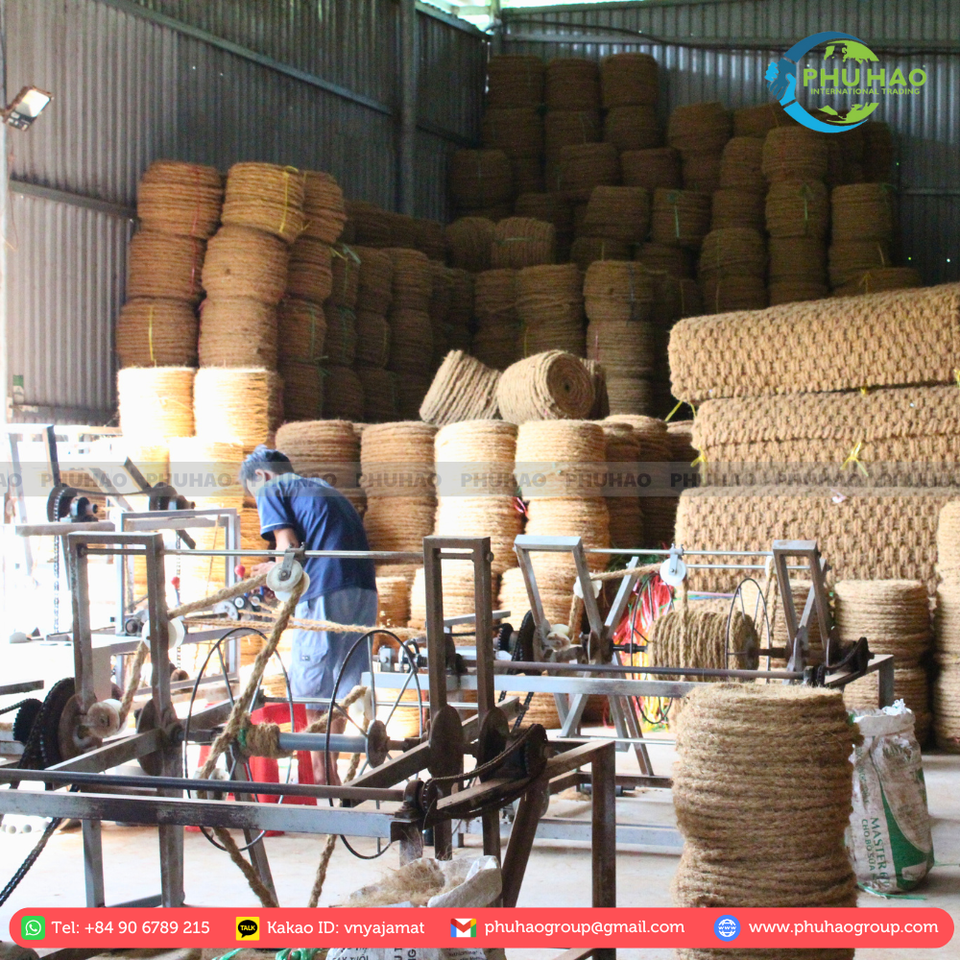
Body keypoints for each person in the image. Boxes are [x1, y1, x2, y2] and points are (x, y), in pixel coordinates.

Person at [239, 446, 377, 785]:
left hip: (325, 589)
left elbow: (288, 546)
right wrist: (279, 570)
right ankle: (331, 774)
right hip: (362, 590)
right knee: (343, 685)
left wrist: (271, 571)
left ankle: (320, 774)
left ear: (261, 475)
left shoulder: (272, 487)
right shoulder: (322, 489)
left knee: (313, 685)